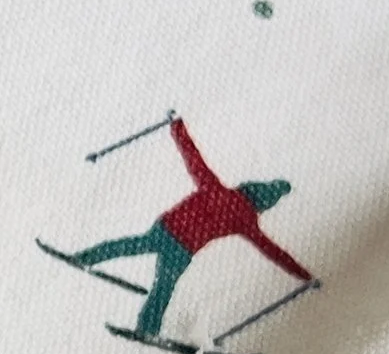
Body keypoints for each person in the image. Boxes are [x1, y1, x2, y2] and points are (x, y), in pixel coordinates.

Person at [58, 116, 309, 341]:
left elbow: (193, 160)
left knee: (128, 245)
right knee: (163, 289)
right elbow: (274, 252)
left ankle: (85, 258)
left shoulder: (216, 189)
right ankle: (147, 329)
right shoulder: (247, 223)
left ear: (248, 186)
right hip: (184, 249)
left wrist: (177, 128)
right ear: (263, 205)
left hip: (166, 229)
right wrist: (302, 274)